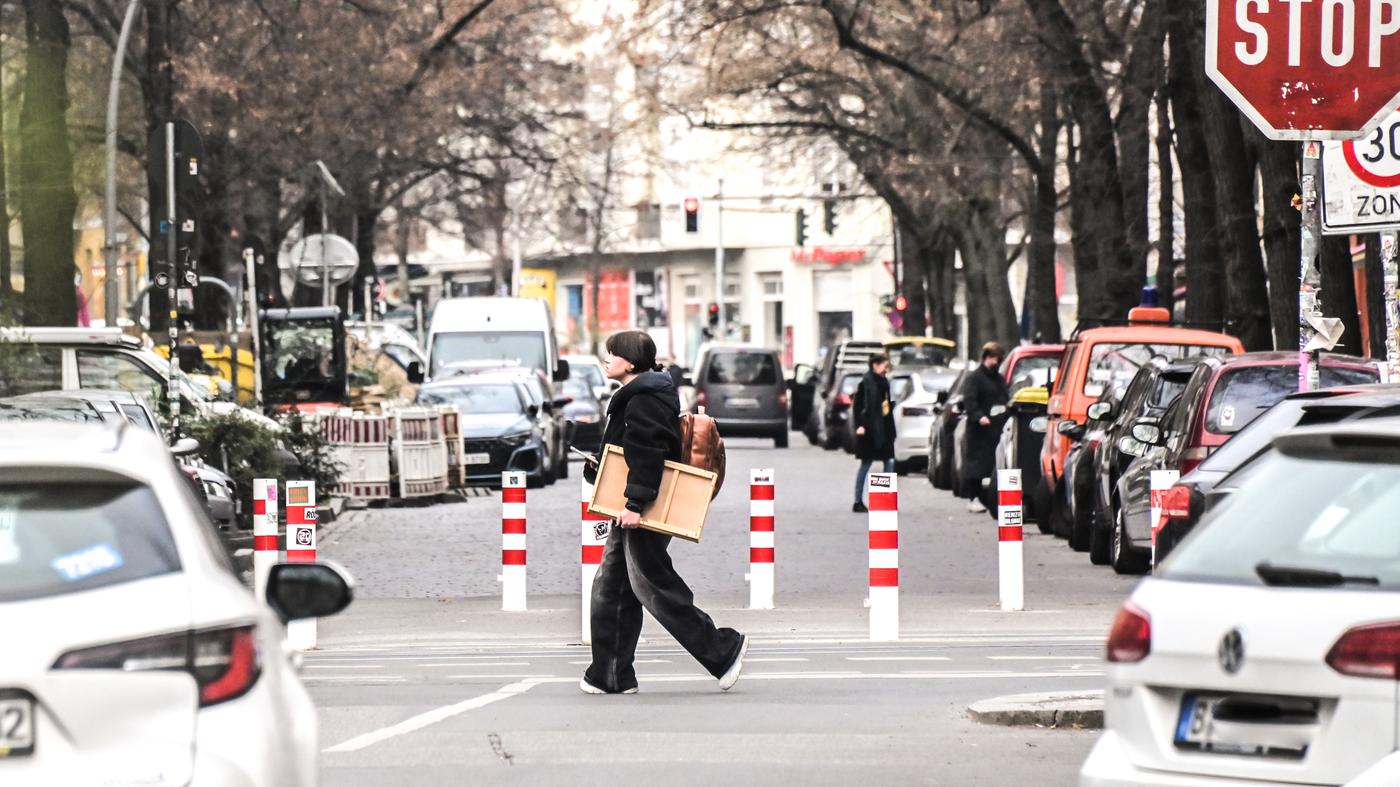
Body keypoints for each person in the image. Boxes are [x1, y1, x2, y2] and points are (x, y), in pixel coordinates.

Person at [581, 330, 748, 695]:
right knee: (613, 588)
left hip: (644, 509)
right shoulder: (640, 394)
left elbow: (650, 453)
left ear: (629, 362)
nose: (607, 359)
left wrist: (635, 504)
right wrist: (599, 467)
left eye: (612, 354)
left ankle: (723, 650)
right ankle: (610, 674)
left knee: (652, 586)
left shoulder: (645, 398)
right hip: (632, 505)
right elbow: (630, 451)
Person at [960, 342, 1010, 514]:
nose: (998, 363)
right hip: (980, 430)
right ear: (988, 358)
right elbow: (969, 400)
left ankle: (987, 497)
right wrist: (979, 416)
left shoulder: (998, 378)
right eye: (996, 359)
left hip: (997, 426)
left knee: (991, 463)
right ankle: (973, 497)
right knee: (976, 465)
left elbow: (1005, 396)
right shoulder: (974, 378)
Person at [851, 354, 896, 513]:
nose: (886, 367)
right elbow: (858, 408)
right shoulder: (866, 384)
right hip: (869, 431)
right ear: (875, 366)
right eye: (884, 364)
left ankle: (884, 499)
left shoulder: (884, 383)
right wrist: (860, 425)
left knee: (889, 461)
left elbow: (885, 406)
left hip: (884, 430)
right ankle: (857, 501)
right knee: (866, 464)